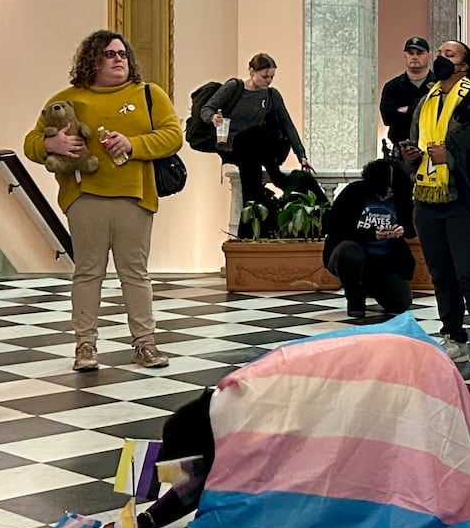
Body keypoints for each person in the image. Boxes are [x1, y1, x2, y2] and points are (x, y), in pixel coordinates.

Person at [117, 315, 470, 528]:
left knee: (412, 462)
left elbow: (236, 495)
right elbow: (201, 478)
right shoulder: (225, 405)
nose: (186, 480)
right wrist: (138, 523)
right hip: (398, 355)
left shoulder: (242, 429)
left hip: (401, 370)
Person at [25, 31, 183, 373]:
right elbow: (32, 141)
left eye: (122, 54)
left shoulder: (148, 94)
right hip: (86, 198)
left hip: (135, 197)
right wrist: (52, 147)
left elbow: (173, 135)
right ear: (92, 61)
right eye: (109, 54)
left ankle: (145, 344)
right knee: (87, 273)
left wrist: (133, 144)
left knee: (135, 274)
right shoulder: (67, 98)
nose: (118, 59)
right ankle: (85, 346)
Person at [399, 40, 470, 373]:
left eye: (450, 55)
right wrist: (409, 158)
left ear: (463, 66)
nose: (442, 60)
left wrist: (455, 156)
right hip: (427, 198)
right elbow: (416, 140)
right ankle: (454, 337)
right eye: (441, 55)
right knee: (441, 275)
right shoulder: (426, 101)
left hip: (463, 201)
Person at [200, 53, 313, 235]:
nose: (269, 81)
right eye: (265, 77)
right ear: (252, 72)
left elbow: (287, 123)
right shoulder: (234, 87)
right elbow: (207, 108)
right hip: (234, 143)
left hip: (255, 149)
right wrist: (213, 118)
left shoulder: (271, 95)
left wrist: (301, 155)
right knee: (253, 136)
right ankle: (275, 178)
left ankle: (251, 224)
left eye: (272, 77)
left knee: (254, 155)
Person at [324, 158, 416, 321]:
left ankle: (370, 284)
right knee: (349, 251)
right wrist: (369, 235)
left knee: (401, 304)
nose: (388, 195)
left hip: (384, 260)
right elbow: (335, 229)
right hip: (351, 253)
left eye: (392, 192)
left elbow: (412, 227)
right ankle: (354, 297)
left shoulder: (401, 199)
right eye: (384, 190)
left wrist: (403, 229)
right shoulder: (354, 193)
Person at [380, 37, 433, 155]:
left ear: (429, 55)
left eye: (419, 53)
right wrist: (422, 110)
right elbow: (388, 118)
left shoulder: (439, 85)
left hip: (432, 154)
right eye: (410, 53)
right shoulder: (392, 87)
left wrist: (407, 109)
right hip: (401, 154)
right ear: (405, 55)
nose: (414, 57)